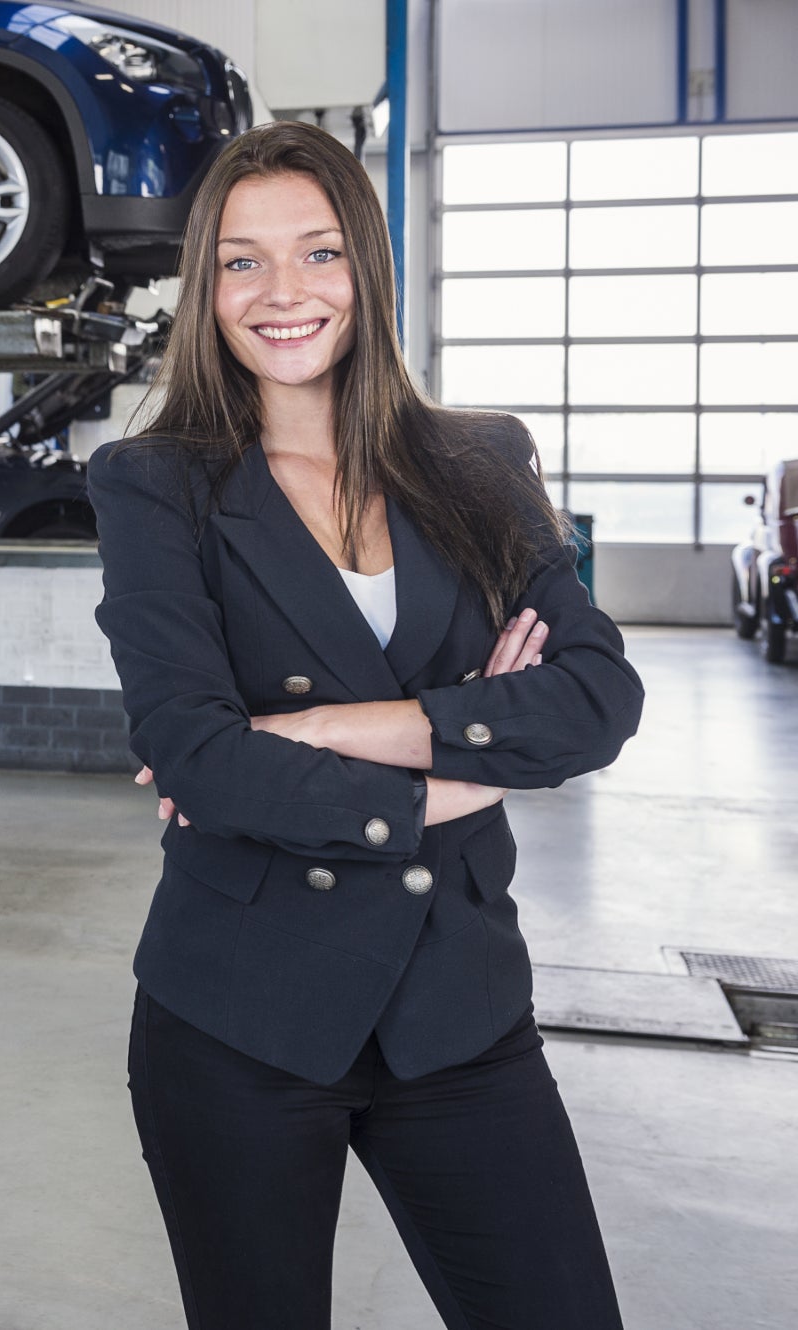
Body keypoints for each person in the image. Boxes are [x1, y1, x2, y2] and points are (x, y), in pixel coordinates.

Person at [87, 121, 644, 1328]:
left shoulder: (480, 462)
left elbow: (597, 698)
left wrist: (332, 727)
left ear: (368, 269)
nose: (282, 294)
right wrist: (469, 769)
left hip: (459, 1010)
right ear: (204, 287)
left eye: (318, 252)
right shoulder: (155, 483)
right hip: (239, 1020)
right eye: (242, 262)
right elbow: (193, 752)